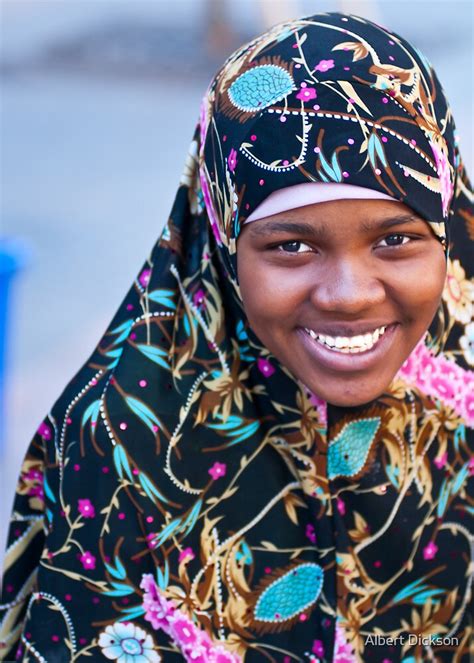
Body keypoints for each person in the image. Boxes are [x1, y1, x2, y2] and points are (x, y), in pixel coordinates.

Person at [1, 11, 472, 663]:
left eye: (396, 239)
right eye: (291, 245)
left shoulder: (460, 401)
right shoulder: (121, 451)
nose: (349, 293)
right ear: (222, 244)